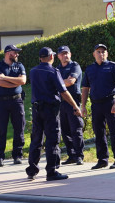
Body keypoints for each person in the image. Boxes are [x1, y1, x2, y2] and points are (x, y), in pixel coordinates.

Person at [24, 47, 82, 181]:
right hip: (50, 109)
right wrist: (75, 106)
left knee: (36, 139)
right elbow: (63, 91)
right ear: (51, 57)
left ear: (40, 58)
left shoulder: (33, 71)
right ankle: (52, 171)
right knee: (52, 139)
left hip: (37, 109)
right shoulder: (53, 71)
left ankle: (32, 170)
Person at [80, 43, 115, 169]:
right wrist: (83, 106)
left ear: (107, 53)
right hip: (96, 104)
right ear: (94, 54)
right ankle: (102, 160)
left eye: (103, 51)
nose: (101, 54)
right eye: (98, 52)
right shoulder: (90, 69)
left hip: (110, 103)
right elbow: (85, 88)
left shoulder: (113, 66)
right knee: (99, 132)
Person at [0, 44, 26, 167]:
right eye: (15, 52)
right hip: (2, 102)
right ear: (8, 53)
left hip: (17, 101)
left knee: (19, 128)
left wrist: (6, 78)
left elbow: (23, 81)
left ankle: (17, 155)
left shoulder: (19, 65)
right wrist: (15, 83)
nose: (17, 54)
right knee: (1, 129)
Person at [55, 46, 85, 165]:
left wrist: (57, 83)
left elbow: (71, 81)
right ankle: (71, 155)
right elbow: (64, 83)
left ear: (70, 54)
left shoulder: (74, 66)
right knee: (65, 130)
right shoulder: (56, 69)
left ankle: (79, 156)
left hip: (73, 102)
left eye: (66, 53)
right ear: (58, 56)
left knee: (76, 129)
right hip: (61, 103)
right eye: (62, 54)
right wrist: (62, 82)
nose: (65, 56)